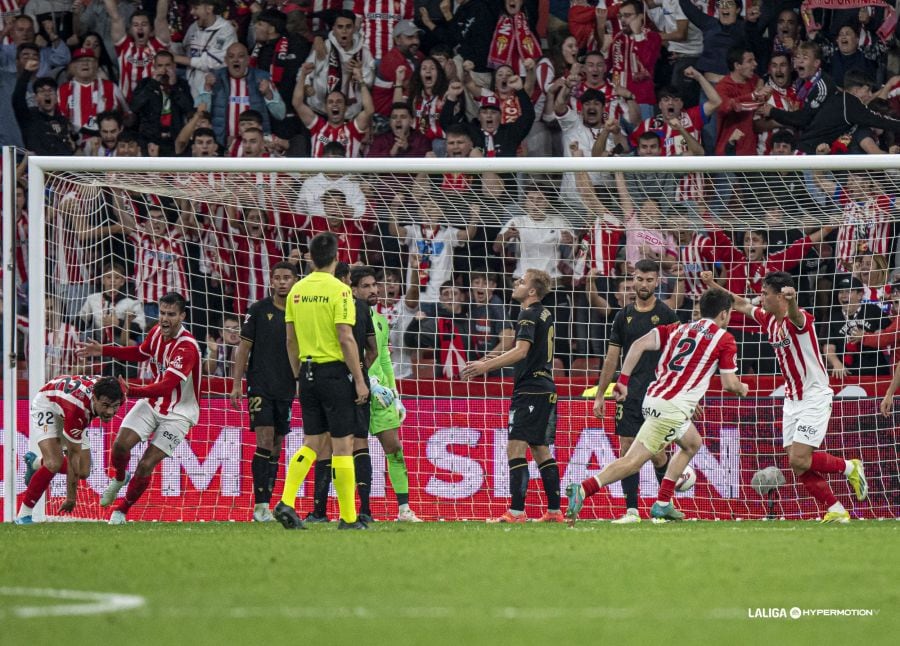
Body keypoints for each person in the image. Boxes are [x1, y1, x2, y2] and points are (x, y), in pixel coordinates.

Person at [566, 289, 748, 524]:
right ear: (724, 314)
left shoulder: (678, 329)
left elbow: (638, 344)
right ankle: (582, 489)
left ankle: (662, 503)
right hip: (672, 408)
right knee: (633, 462)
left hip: (654, 398)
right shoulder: (724, 339)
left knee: (692, 443)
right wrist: (743, 388)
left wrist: (622, 381)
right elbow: (729, 384)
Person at [701, 271, 868, 523]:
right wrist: (713, 285)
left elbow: (796, 315)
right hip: (792, 400)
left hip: (814, 396)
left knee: (799, 457)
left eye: (765, 293)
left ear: (780, 296)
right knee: (798, 464)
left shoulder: (800, 320)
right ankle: (835, 509)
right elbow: (739, 303)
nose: (760, 297)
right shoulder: (767, 319)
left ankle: (849, 467)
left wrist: (792, 302)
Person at [76, 292, 202, 525]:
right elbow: (140, 353)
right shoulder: (156, 332)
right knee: (120, 446)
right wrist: (104, 350)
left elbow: (166, 387)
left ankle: (121, 511)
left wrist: (131, 390)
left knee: (146, 464)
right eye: (162, 313)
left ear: (182, 316)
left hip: (179, 415)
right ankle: (120, 477)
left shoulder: (187, 348)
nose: (165, 319)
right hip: (153, 404)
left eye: (171, 315)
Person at [273, 232, 369, 530]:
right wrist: (359, 380)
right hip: (334, 373)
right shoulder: (340, 291)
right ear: (336, 257)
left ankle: (286, 500)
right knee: (343, 445)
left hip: (308, 374)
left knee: (312, 442)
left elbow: (290, 340)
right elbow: (345, 337)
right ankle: (350, 518)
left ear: (310, 258)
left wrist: (298, 375)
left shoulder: (297, 291)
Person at [461, 269, 563, 523]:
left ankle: (516, 512)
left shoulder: (528, 314)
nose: (516, 283)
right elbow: (526, 350)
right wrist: (489, 358)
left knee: (515, 447)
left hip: (530, 389)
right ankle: (554, 511)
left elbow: (520, 351)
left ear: (531, 291)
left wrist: (485, 366)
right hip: (544, 387)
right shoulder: (544, 312)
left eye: (522, 281)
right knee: (540, 449)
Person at [589, 258, 680, 523]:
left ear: (658, 281)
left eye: (649, 280)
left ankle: (664, 505)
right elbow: (611, 358)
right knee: (627, 448)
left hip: (658, 394)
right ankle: (631, 510)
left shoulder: (666, 315)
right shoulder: (623, 316)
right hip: (627, 393)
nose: (643, 284)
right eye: (639, 279)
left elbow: (677, 359)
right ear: (634, 278)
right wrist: (599, 394)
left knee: (656, 452)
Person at [229, 262, 299, 522]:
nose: (282, 282)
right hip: (260, 386)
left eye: (286, 278)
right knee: (265, 441)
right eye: (277, 278)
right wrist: (237, 384)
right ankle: (259, 506)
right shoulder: (259, 310)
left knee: (278, 445)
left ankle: (266, 504)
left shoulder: (299, 312)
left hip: (286, 387)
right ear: (271, 282)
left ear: (295, 281)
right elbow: (243, 349)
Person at [15, 375, 125, 524]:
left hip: (70, 403)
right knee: (54, 462)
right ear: (94, 398)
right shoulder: (77, 411)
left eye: (115, 406)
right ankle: (23, 514)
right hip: (47, 404)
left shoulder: (118, 394)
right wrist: (71, 498)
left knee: (84, 471)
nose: (111, 412)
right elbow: (73, 456)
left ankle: (36, 463)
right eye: (105, 405)